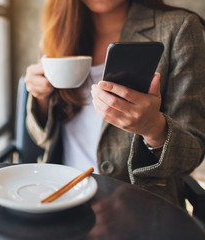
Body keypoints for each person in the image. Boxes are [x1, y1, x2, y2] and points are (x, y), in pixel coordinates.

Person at [25, 0, 205, 207]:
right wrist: (40, 97)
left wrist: (153, 128)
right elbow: (41, 138)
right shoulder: (56, 31)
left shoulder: (179, 27)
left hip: (139, 208)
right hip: (61, 196)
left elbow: (192, 154)